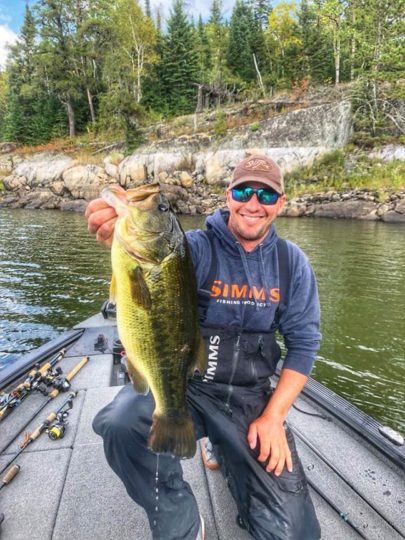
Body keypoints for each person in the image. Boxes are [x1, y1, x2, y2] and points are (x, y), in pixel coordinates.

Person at [85, 154, 322, 540]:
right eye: (244, 191)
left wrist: (274, 417)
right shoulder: (191, 248)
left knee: (295, 534)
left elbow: (304, 343)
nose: (253, 203)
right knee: (121, 423)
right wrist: (115, 232)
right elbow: (143, 275)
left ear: (280, 204)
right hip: (188, 387)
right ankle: (182, 517)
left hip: (249, 400)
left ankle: (224, 446)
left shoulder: (291, 263)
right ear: (229, 195)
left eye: (266, 195)